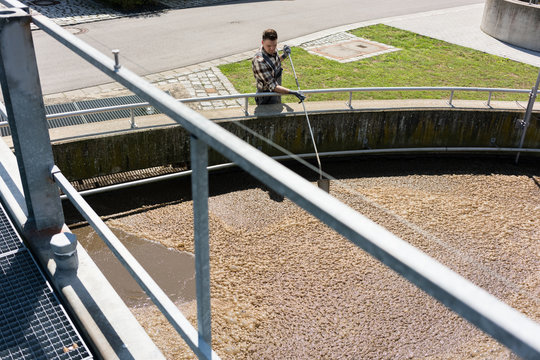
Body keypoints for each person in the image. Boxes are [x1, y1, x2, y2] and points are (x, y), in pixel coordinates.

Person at [252, 29, 306, 105]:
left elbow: (274, 63)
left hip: (276, 92)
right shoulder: (259, 61)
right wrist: (292, 92)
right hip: (266, 97)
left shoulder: (272, 50)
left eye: (274, 45)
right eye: (269, 46)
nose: (272, 48)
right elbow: (273, 86)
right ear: (262, 42)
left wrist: (285, 55)